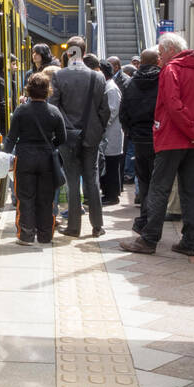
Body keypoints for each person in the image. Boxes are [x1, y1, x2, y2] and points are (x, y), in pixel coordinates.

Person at [121, 32, 194, 256]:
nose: (159, 58)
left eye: (161, 53)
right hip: (193, 144)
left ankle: (149, 239)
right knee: (189, 191)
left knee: (159, 189)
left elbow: (173, 106)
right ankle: (189, 241)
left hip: (171, 139)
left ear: (172, 51)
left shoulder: (171, 70)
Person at [50, 36, 110, 238]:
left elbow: (54, 106)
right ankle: (97, 226)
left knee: (73, 180)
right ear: (84, 53)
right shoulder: (98, 77)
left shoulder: (59, 76)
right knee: (92, 179)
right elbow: (105, 110)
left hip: (68, 136)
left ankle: (74, 227)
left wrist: (65, 128)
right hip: (91, 136)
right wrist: (97, 129)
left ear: (69, 53)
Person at [4, 72, 66, 246]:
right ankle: (45, 236)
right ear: (48, 91)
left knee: (25, 197)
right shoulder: (54, 112)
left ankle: (26, 235)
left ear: (29, 90)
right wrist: (51, 145)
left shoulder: (21, 110)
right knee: (46, 199)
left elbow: (11, 137)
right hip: (47, 159)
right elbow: (63, 137)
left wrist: (4, 155)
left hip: (24, 158)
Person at [119, 48, 160, 239]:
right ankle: (153, 223)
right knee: (159, 182)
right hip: (159, 137)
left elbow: (123, 113)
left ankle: (144, 218)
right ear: (157, 61)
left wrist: (131, 132)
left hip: (139, 138)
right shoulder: (163, 80)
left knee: (143, 180)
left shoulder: (131, 83)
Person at [100, 62, 124, 205]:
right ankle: (108, 194)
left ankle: (112, 196)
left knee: (111, 167)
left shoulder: (111, 89)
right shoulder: (108, 86)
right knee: (109, 165)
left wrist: (101, 125)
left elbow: (112, 111)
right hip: (108, 133)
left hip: (110, 133)